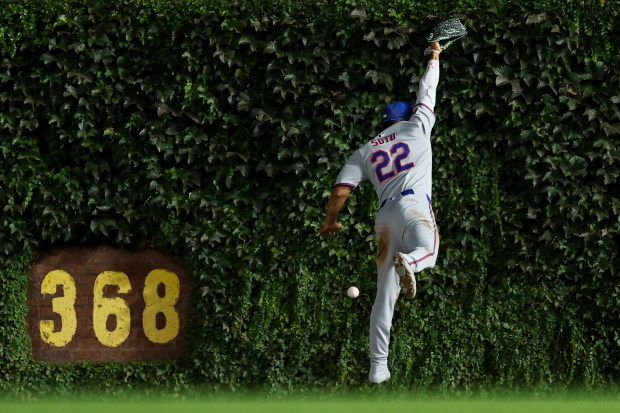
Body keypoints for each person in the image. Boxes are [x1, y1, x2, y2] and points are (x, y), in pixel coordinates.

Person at [318, 41, 443, 384]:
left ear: (383, 124)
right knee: (429, 249)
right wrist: (434, 55)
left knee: (383, 298)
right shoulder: (417, 126)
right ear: (403, 119)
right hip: (413, 204)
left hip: (385, 220)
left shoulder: (365, 151)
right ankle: (413, 263)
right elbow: (426, 92)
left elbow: (342, 190)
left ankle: (378, 367)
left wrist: (331, 221)